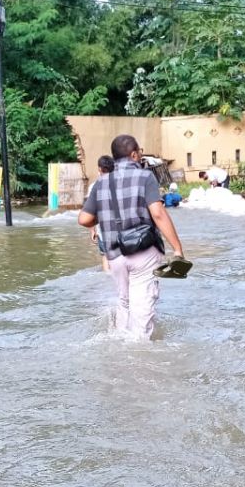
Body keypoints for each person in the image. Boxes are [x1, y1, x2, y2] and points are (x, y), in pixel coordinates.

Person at [78, 134, 187, 340]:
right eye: (140, 153)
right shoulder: (145, 177)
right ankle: (139, 356)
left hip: (115, 256)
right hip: (143, 252)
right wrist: (177, 249)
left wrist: (105, 219)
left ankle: (118, 344)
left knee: (124, 301)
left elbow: (84, 219)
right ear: (134, 154)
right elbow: (158, 213)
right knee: (142, 311)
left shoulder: (101, 183)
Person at [86, 156, 115, 273]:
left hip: (102, 228)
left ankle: (107, 281)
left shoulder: (94, 186)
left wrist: (92, 230)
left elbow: (90, 211)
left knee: (105, 256)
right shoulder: (121, 183)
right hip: (122, 227)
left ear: (99, 169)